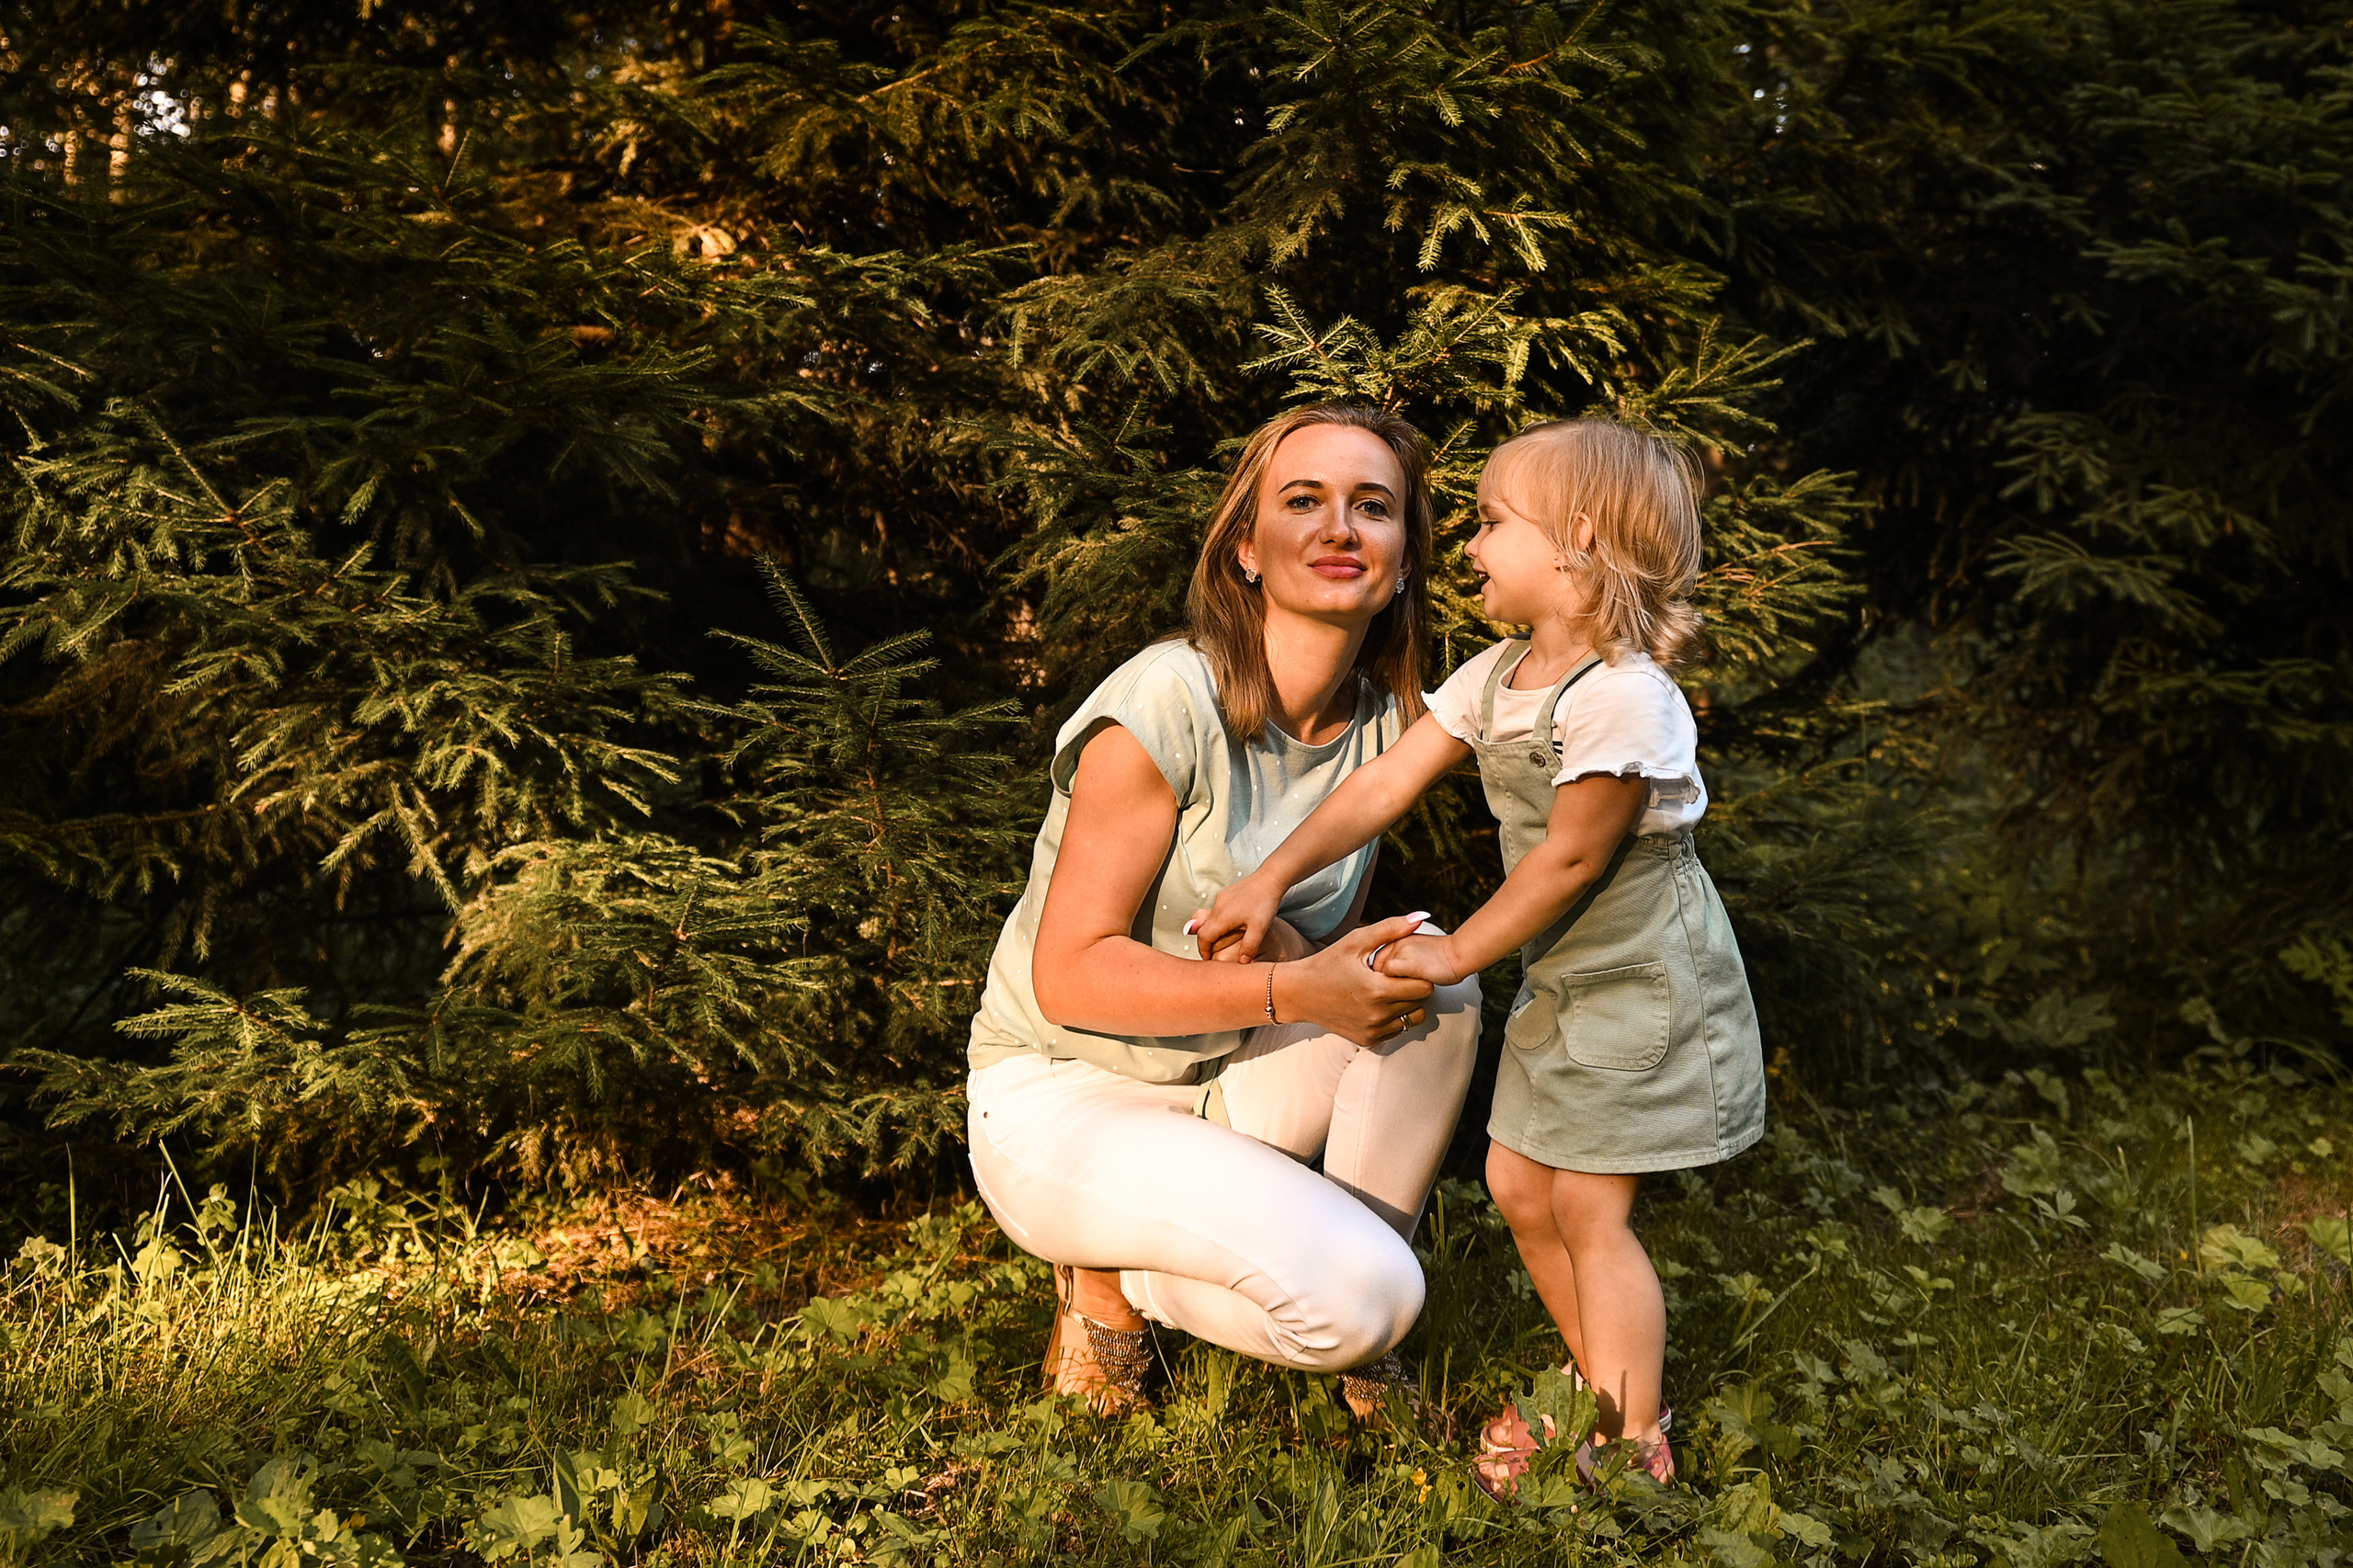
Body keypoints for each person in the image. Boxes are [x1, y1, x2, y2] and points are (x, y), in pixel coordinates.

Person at [1192, 417, 1765, 1491]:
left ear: (1577, 541)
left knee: (1590, 1208)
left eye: (1494, 523)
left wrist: (1453, 953)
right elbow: (1380, 786)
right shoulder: (1498, 674)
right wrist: (1269, 875)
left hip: (1641, 981)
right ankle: (1601, 1383)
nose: (1464, 547)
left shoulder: (1621, 695)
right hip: (1567, 978)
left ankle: (1631, 1443)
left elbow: (1568, 861)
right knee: (1515, 1181)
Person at [964, 403, 1485, 1416]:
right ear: (1245, 548)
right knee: (1368, 1298)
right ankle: (1111, 1275)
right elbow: (1067, 973)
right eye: (1304, 501)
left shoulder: (1385, 725)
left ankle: (1344, 1289)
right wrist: (1294, 985)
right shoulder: (1167, 697)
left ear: (1404, 557)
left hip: (1227, 1079)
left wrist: (1305, 962)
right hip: (1064, 1092)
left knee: (1437, 973)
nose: (1340, 527)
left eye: (1371, 507)